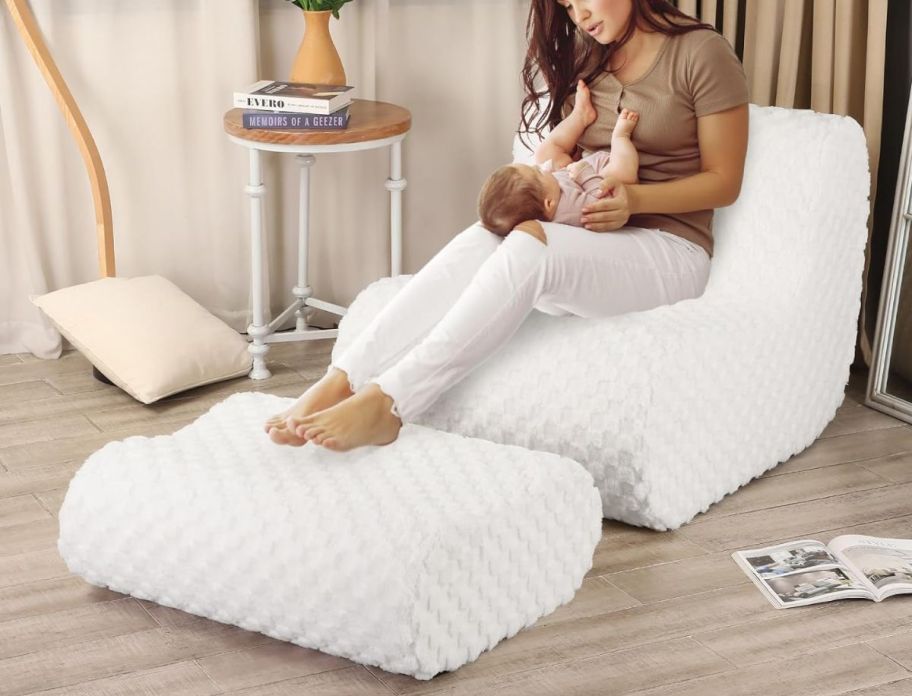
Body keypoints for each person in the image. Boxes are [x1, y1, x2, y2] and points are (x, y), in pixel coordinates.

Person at [264, 0, 750, 451]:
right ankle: (341, 379)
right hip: (593, 235)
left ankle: (389, 403)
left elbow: (724, 182)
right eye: (565, 4)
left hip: (668, 249)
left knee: (530, 244)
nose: (578, 14)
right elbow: (569, 159)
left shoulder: (701, 53)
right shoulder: (592, 58)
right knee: (483, 235)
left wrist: (636, 199)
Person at [478, 78, 640, 235]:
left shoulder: (548, 192)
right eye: (537, 172)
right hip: (602, 177)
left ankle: (581, 115)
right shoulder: (570, 209)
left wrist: (552, 168)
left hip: (571, 176)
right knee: (620, 174)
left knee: (544, 152)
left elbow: (548, 176)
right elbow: (601, 203)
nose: (539, 167)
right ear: (549, 204)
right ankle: (621, 137)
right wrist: (584, 174)